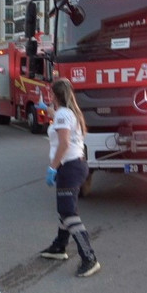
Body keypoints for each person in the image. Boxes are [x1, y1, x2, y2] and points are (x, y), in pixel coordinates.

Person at [38, 78, 101, 277]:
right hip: (75, 166)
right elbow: (58, 119)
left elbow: (64, 143)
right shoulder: (68, 112)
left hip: (69, 167)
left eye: (50, 94)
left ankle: (89, 258)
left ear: (55, 95)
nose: (49, 97)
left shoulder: (63, 114)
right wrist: (47, 110)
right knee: (66, 209)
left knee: (67, 212)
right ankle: (59, 246)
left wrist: (52, 168)